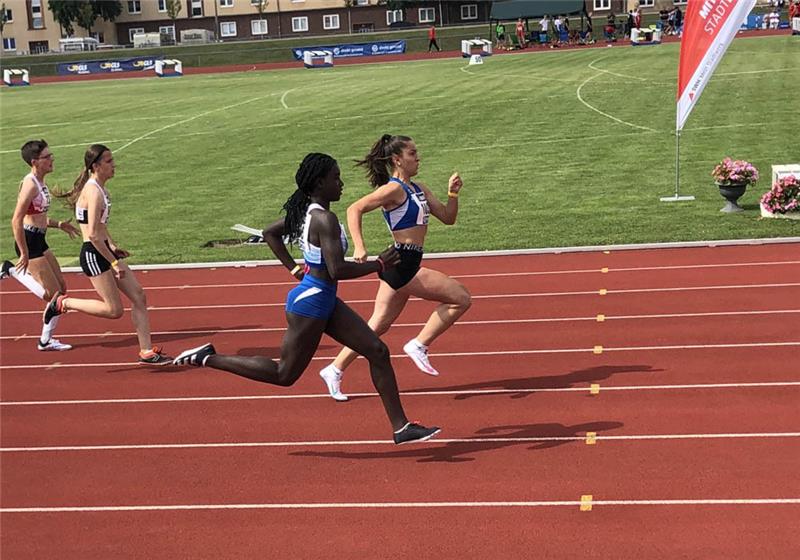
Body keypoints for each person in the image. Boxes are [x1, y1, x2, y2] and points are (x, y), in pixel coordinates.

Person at [172, 153, 441, 445]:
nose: (341, 183)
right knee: (284, 374)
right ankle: (208, 357)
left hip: (321, 297)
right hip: (312, 303)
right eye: (335, 178)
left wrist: (295, 268)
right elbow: (337, 269)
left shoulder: (307, 212)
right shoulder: (323, 219)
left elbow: (270, 233)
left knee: (377, 350)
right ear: (319, 182)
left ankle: (401, 427)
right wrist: (378, 265)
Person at [318, 134, 471, 402]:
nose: (418, 157)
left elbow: (448, 218)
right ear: (397, 160)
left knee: (377, 325)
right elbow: (354, 209)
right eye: (412, 154)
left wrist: (453, 193)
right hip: (402, 263)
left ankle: (334, 369)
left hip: (402, 262)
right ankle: (419, 344)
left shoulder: (419, 189)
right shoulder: (392, 190)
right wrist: (359, 246)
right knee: (460, 297)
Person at [44, 144, 171, 365]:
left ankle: (146, 351)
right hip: (94, 254)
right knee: (113, 310)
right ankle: (64, 303)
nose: (114, 165)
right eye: (109, 162)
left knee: (139, 296)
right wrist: (114, 262)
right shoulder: (94, 192)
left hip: (103, 249)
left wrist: (112, 245)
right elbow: (92, 234)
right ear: (96, 166)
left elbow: (101, 228)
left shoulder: (100, 189)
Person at [2, 139, 80, 351]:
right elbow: (16, 219)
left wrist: (60, 224)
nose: (52, 159)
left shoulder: (41, 182)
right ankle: (11, 270)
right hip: (28, 241)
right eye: (47, 157)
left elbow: (38, 217)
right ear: (35, 161)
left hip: (39, 239)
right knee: (52, 296)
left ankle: (45, 340)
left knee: (61, 290)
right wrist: (24, 253)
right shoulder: (29, 184)